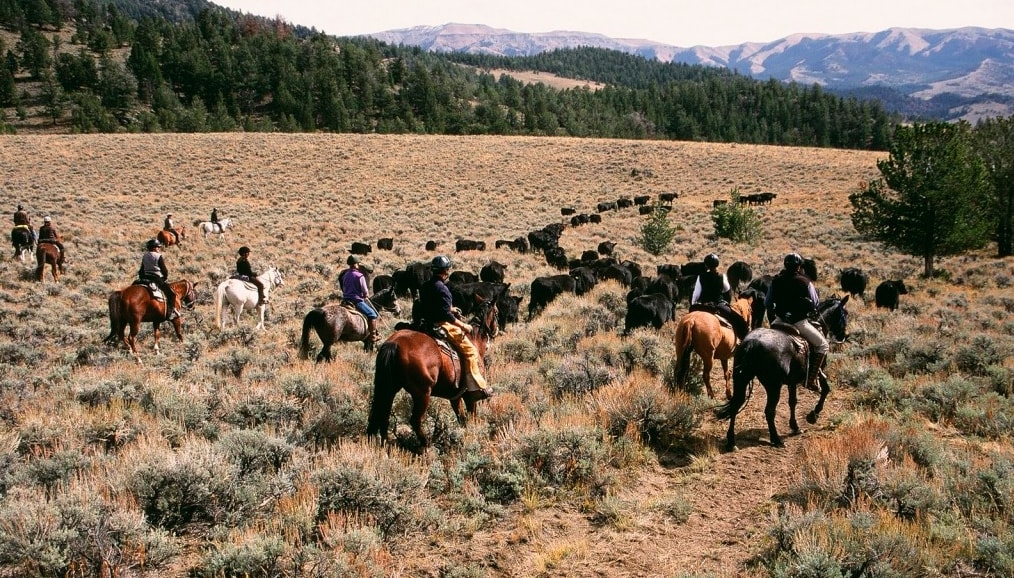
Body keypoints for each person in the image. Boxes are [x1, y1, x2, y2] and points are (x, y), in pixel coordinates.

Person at [417, 255, 493, 399]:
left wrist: (451, 308)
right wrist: (464, 325)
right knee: (471, 351)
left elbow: (432, 305)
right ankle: (475, 388)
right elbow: (445, 315)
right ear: (445, 271)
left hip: (425, 323)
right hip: (442, 324)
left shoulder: (425, 286)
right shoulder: (443, 289)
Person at [765, 252, 828, 391]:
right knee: (823, 345)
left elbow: (768, 302)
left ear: (785, 265)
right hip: (799, 322)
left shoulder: (776, 281)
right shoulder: (806, 282)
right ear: (799, 267)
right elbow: (816, 303)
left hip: (779, 320)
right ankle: (811, 380)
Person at [691, 253, 749, 340]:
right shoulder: (722, 276)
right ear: (717, 264)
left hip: (703, 305)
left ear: (706, 265)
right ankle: (743, 341)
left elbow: (696, 294)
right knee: (739, 320)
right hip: (718, 305)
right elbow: (726, 289)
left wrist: (693, 304)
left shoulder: (700, 277)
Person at [138, 239, 180, 321]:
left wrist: (142, 277)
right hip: (156, 278)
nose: (159, 249)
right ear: (154, 248)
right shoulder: (158, 256)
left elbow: (141, 270)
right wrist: (164, 278)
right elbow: (164, 270)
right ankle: (170, 313)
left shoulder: (145, 256)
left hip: (145, 277)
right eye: (158, 247)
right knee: (172, 294)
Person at [342, 255, 381, 343]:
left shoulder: (345, 275)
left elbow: (344, 287)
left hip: (345, 300)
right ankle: (373, 335)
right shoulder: (360, 276)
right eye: (358, 263)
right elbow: (365, 291)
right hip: (356, 301)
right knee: (372, 314)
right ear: (356, 264)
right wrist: (365, 295)